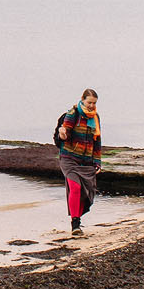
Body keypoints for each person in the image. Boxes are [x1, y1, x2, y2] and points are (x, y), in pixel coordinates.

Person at [55, 88, 101, 234]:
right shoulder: (72, 114)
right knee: (75, 188)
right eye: (89, 102)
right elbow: (64, 134)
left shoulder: (95, 118)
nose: (91, 106)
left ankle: (78, 220)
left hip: (86, 161)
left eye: (94, 103)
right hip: (69, 158)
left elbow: (97, 141)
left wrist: (97, 161)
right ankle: (75, 224)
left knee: (85, 192)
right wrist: (62, 134)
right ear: (82, 99)